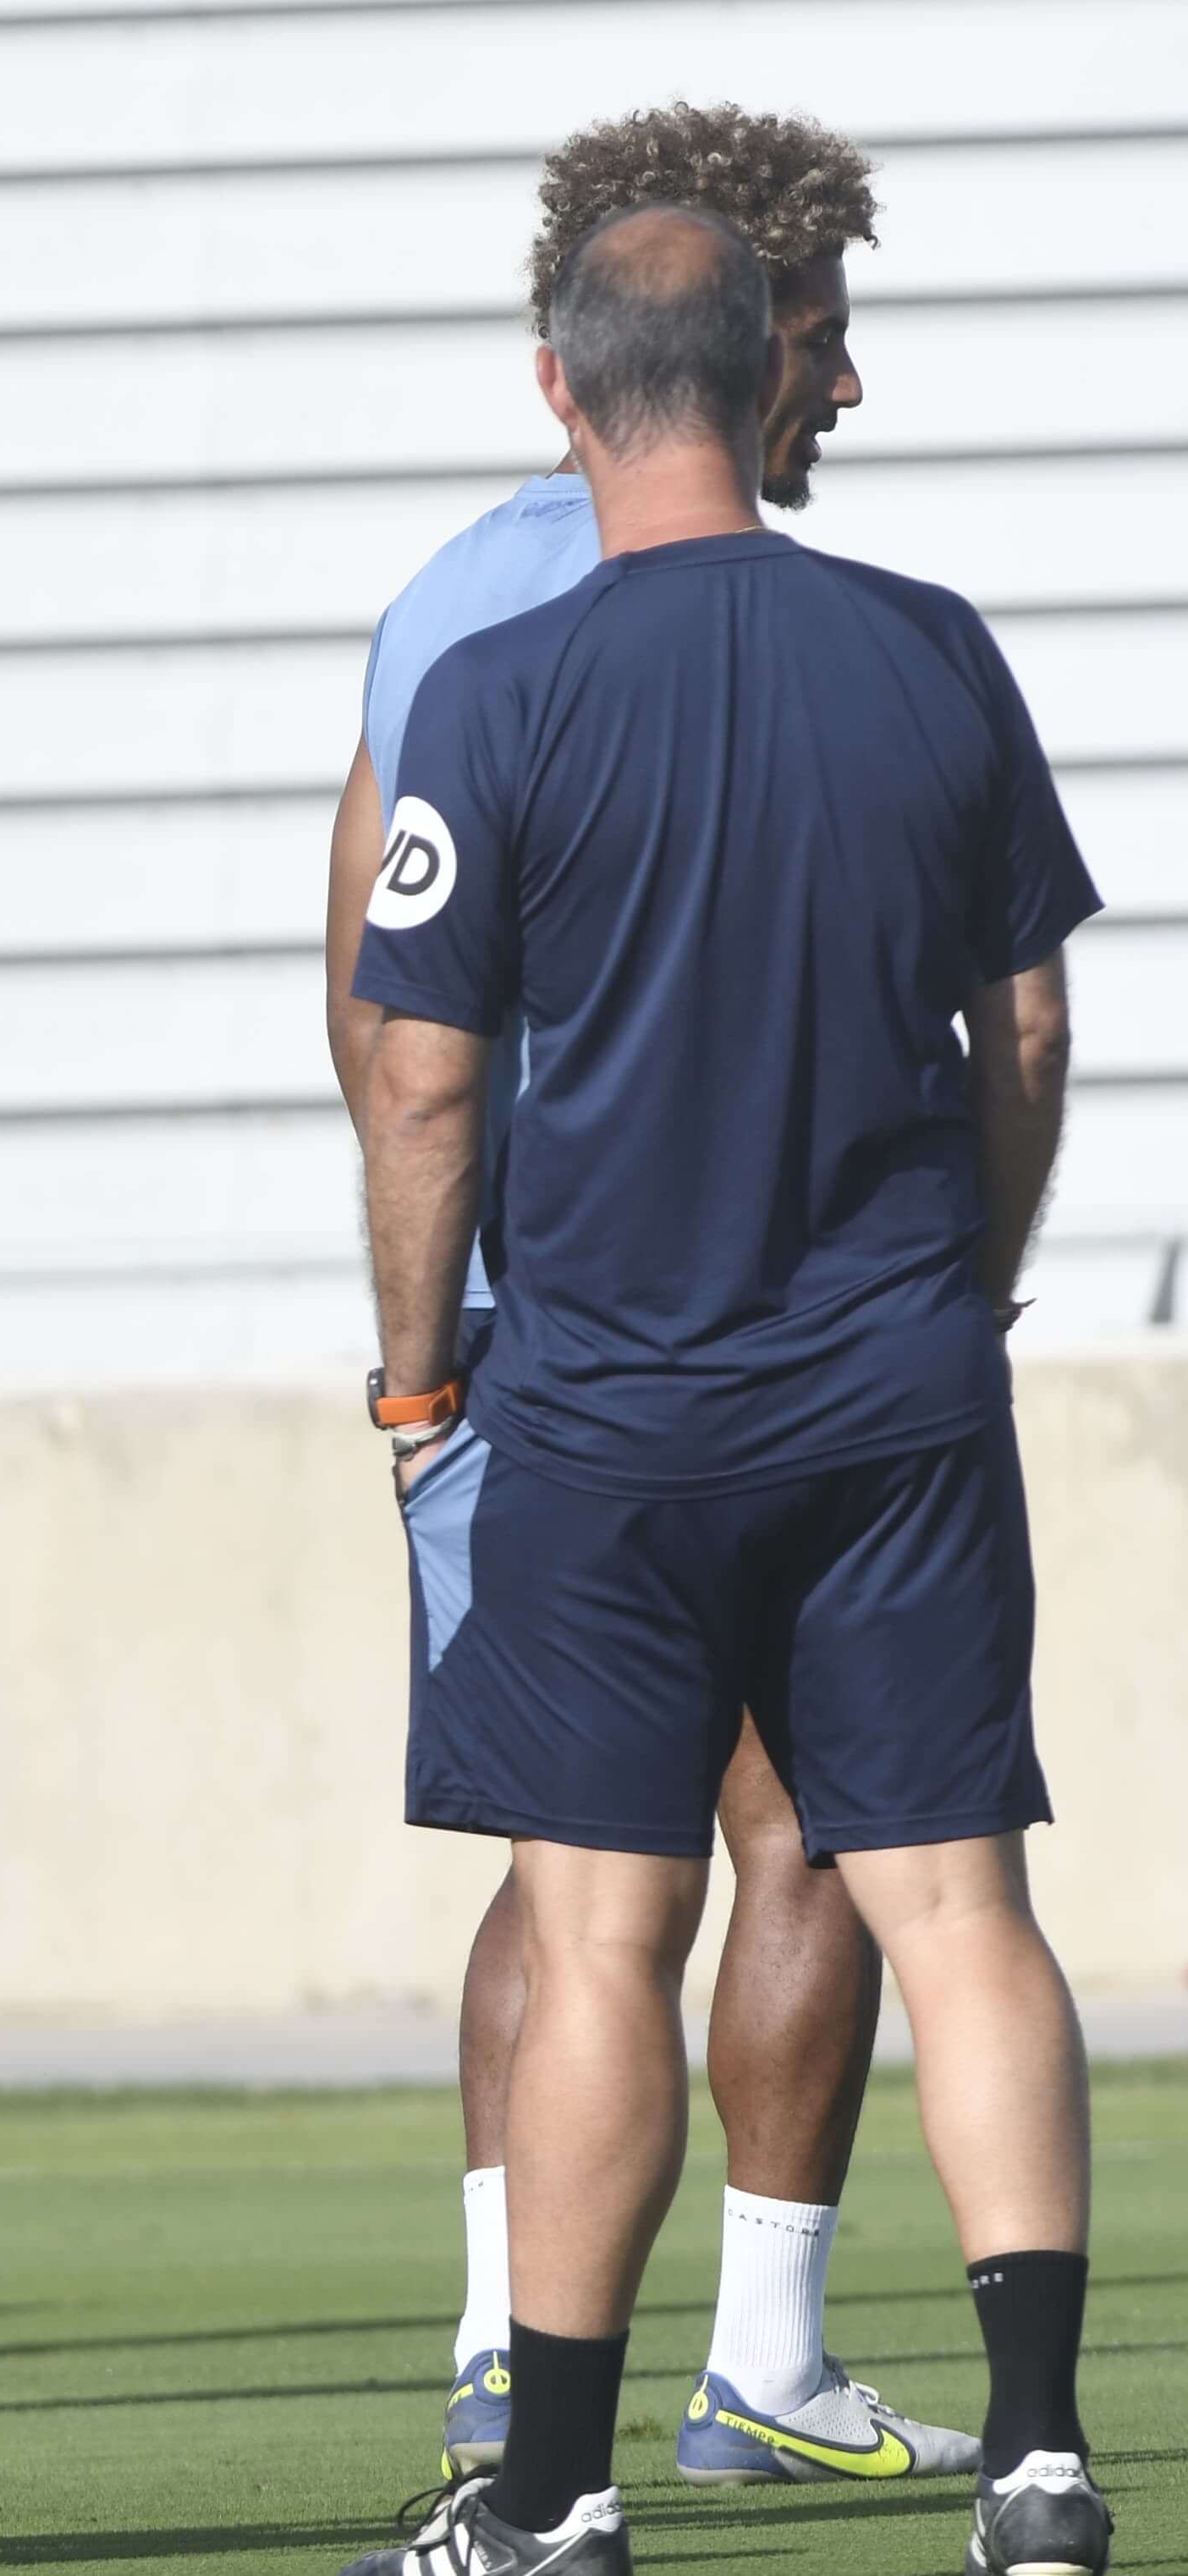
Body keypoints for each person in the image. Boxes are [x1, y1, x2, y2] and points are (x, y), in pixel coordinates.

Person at [343, 206, 1105, 2576]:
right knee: (957, 1905)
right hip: (894, 1393)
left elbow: (420, 1079)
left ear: (562, 390)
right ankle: (1041, 2462)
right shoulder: (932, 648)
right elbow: (1029, 1026)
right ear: (770, 372)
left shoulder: (497, 688)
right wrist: (966, 1291)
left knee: (598, 1936)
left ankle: (552, 2493)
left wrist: (414, 1378)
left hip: (605, 1416)